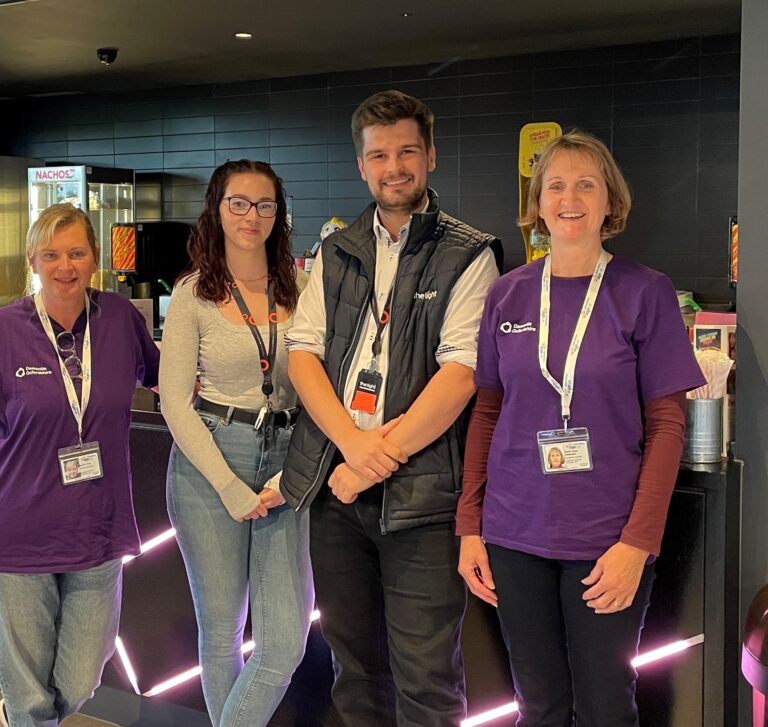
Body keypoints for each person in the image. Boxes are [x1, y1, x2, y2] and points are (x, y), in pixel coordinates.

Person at [457, 130, 706, 727]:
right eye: (556, 186)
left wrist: (638, 544)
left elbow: (667, 425)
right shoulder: (507, 294)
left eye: (586, 185)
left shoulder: (645, 292)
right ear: (538, 203)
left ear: (609, 199)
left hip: (606, 539)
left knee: (604, 706)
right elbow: (487, 413)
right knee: (538, 706)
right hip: (514, 534)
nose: (570, 199)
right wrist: (470, 527)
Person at [281, 90, 502, 726]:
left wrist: (374, 460)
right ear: (361, 166)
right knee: (354, 671)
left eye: (407, 151)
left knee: (427, 681)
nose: (394, 167)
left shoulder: (470, 253)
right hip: (336, 495)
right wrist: (353, 449)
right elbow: (303, 355)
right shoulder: (336, 251)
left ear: (430, 156)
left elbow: (461, 375)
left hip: (423, 500)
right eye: (379, 155)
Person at [160, 160, 314, 727]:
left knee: (284, 643)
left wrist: (292, 473)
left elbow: (322, 389)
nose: (252, 216)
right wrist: (227, 485)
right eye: (239, 203)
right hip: (210, 461)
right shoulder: (192, 293)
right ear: (217, 209)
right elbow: (174, 402)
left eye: (265, 204)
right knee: (223, 629)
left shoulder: (304, 289)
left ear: (279, 214)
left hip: (287, 463)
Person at [0, 203, 160, 726]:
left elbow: (163, 378)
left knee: (80, 676)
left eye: (76, 253)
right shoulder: (5, 330)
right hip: (19, 533)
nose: (64, 266)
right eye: (51, 255)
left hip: (98, 526)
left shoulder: (119, 318)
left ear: (95, 258)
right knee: (27, 692)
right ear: (32, 260)